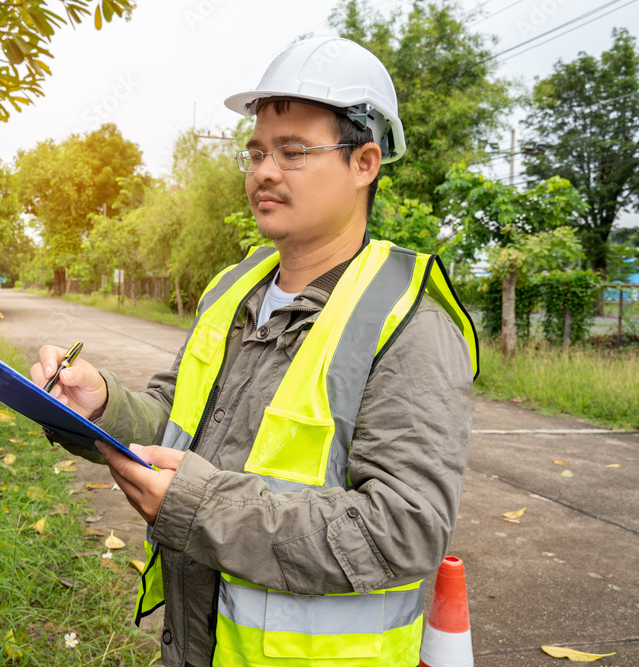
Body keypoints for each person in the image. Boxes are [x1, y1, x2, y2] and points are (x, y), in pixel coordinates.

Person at [31, 33, 478, 667]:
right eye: (257, 152)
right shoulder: (232, 289)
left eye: (294, 152)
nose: (263, 171)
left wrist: (202, 508)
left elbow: (403, 529)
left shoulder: (409, 325)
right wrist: (98, 405)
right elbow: (177, 424)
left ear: (364, 164)